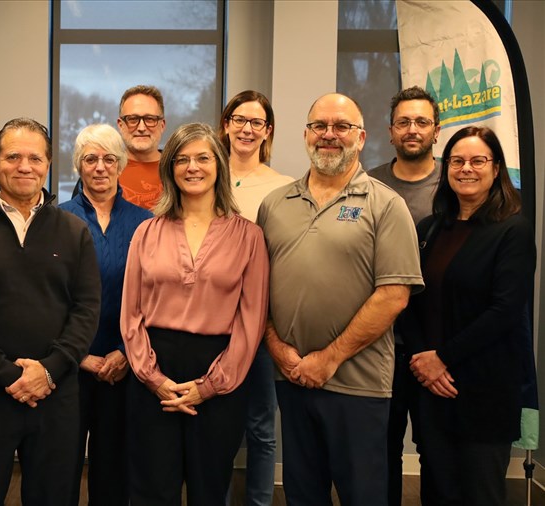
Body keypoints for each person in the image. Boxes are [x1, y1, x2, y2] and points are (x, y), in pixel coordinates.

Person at [256, 93, 423, 506]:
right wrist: (278, 350)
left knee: (362, 495)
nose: (329, 135)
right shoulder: (275, 205)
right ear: (306, 135)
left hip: (357, 385)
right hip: (292, 379)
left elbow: (393, 296)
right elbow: (256, 289)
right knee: (302, 493)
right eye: (319, 126)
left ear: (361, 137)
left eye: (341, 126)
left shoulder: (386, 205)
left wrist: (328, 358)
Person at [0, 118, 101, 505]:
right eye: (13, 156)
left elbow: (87, 309)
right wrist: (7, 374)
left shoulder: (74, 232)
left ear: (47, 165)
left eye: (34, 158)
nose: (24, 166)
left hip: (55, 395)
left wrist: (48, 370)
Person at [121, 122, 270, 505]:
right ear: (170, 168)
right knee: (151, 489)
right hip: (154, 372)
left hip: (220, 374)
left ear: (219, 164)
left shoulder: (249, 236)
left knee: (209, 489)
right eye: (182, 160)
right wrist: (152, 377)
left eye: (203, 158)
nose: (193, 167)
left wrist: (210, 386)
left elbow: (250, 323)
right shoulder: (146, 232)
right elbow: (131, 315)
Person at [405, 126, 535, 506]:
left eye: (478, 161)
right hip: (431, 389)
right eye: (457, 161)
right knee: (437, 490)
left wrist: (442, 358)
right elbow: (409, 301)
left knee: (480, 493)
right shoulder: (430, 228)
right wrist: (422, 361)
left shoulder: (513, 230)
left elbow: (505, 312)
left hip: (484, 391)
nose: (466, 169)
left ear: (496, 169)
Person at [58, 124, 153, 505]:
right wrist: (80, 357)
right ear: (78, 166)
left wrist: (125, 354)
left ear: (122, 164)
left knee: (113, 469)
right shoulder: (55, 219)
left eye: (109, 159)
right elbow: (47, 298)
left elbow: (153, 296)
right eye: (90, 159)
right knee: (60, 466)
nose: (100, 167)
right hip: (67, 364)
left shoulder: (146, 222)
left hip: (122, 366)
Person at [366, 85, 441, 506]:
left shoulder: (454, 184)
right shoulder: (370, 184)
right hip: (381, 346)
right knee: (382, 453)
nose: (412, 130)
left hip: (436, 346)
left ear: (436, 130)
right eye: (404, 122)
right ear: (390, 131)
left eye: (421, 122)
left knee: (436, 453)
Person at [218, 90, 292, 506]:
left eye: (257, 123)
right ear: (226, 124)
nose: (247, 129)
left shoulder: (283, 187)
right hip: (211, 322)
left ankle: (260, 502)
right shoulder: (205, 173)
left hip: (260, 323)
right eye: (239, 119)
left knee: (262, 428)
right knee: (219, 427)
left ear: (268, 132)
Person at [116, 85, 167, 209]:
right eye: (133, 119)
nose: (141, 128)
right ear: (120, 125)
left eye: (150, 119)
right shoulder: (102, 171)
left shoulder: (179, 171)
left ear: (162, 125)